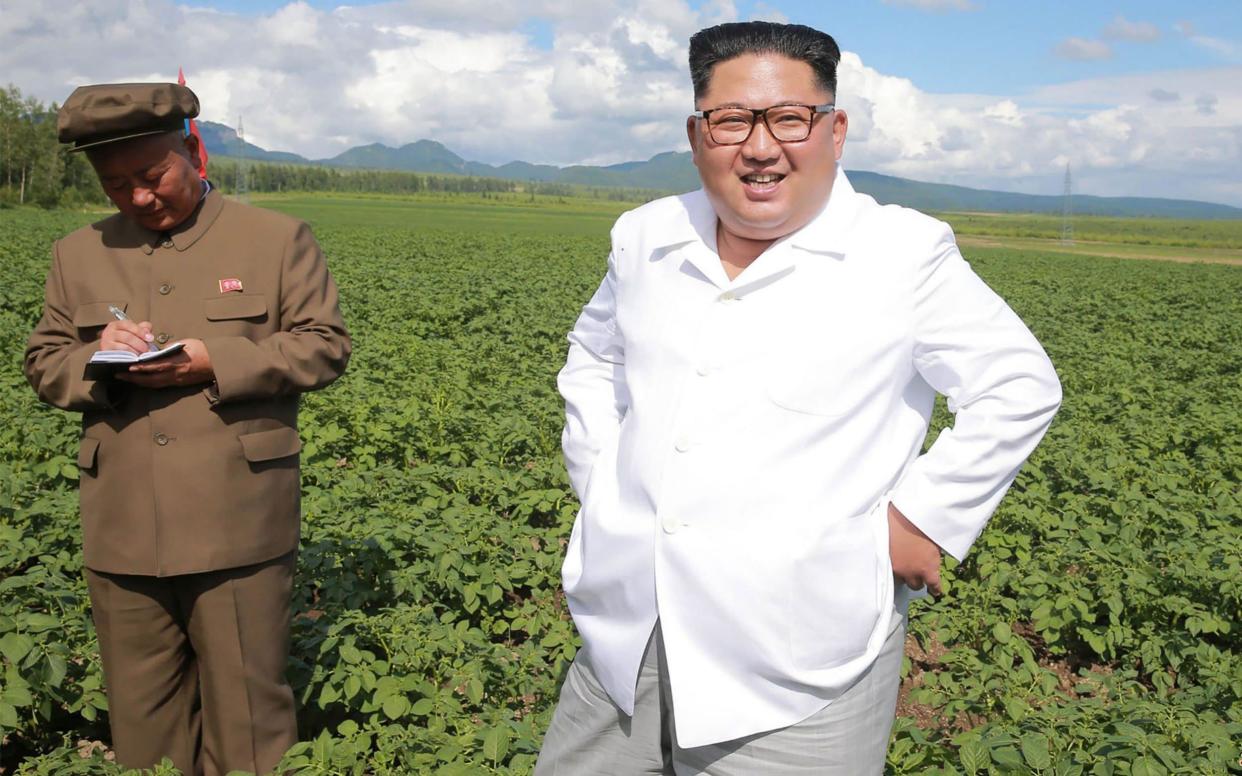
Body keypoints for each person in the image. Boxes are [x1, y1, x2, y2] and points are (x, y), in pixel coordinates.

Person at [536, 21, 1062, 775]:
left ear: (835, 129)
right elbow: (592, 356)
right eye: (731, 121)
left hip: (797, 666)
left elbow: (1018, 384)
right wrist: (600, 479)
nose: (759, 147)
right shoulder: (646, 235)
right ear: (696, 134)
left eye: (789, 118)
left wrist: (923, 517)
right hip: (629, 636)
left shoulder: (901, 253)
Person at [24, 82, 351, 775]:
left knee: (249, 727)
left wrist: (215, 361)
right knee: (143, 728)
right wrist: (96, 359)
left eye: (152, 176)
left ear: (192, 152)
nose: (139, 198)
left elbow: (324, 345)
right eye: (116, 186)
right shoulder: (76, 253)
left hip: (238, 520)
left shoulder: (276, 238)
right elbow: (45, 360)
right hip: (122, 527)